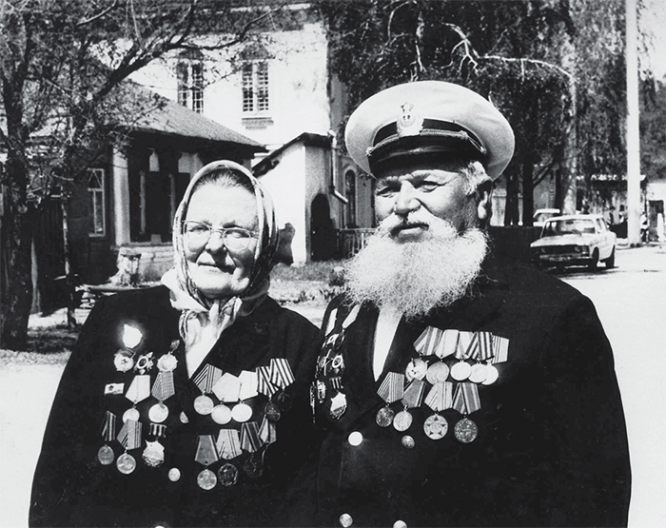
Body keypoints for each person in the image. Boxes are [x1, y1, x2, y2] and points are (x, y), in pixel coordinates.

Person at [300, 81, 631, 528]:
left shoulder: (550, 314)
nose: (404, 203)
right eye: (388, 188)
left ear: (480, 196)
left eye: (427, 184)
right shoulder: (347, 307)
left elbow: (593, 498)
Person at [30, 160, 318, 528]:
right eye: (198, 228)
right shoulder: (114, 318)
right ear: (179, 232)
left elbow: (301, 495)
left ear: (265, 243)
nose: (214, 245)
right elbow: (59, 464)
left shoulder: (296, 343)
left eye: (236, 232)